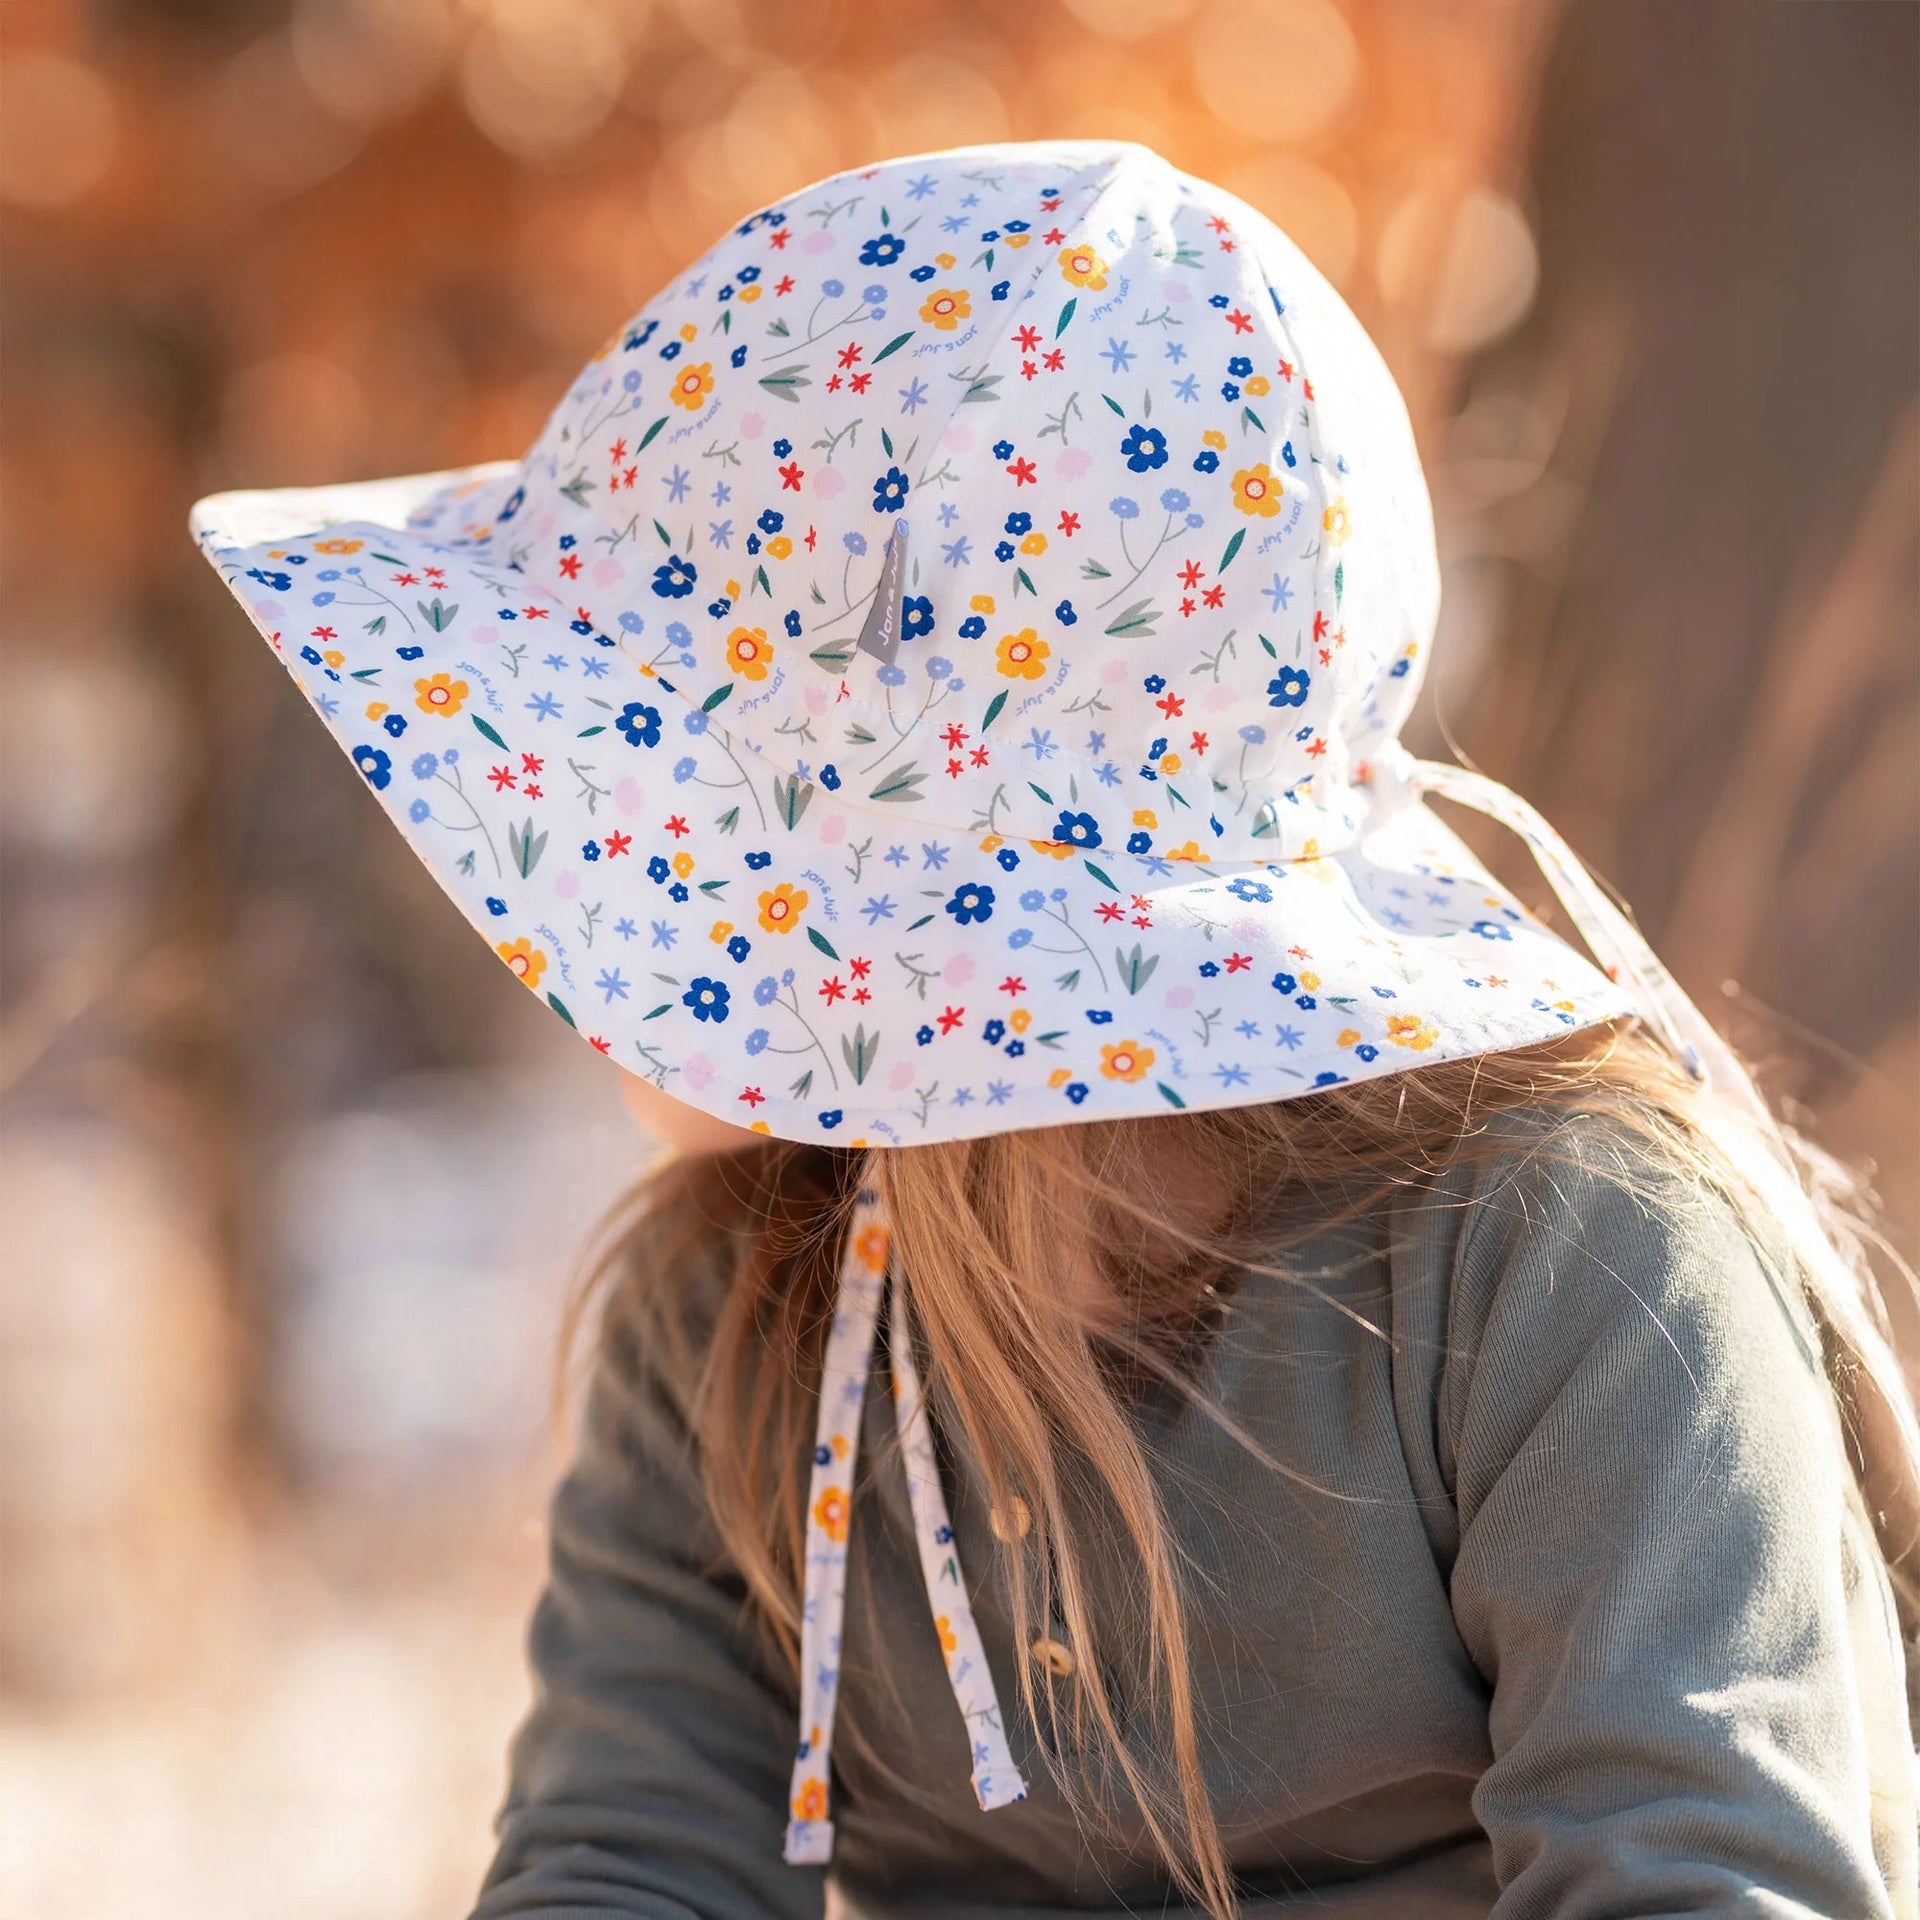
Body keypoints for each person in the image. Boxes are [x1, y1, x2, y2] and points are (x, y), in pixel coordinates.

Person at [192, 142, 1918, 1919]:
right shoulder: (731, 1318)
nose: (540, 913)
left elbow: (1703, 1876)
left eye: (620, 821)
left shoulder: (1567, 1263)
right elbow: (628, 1858)